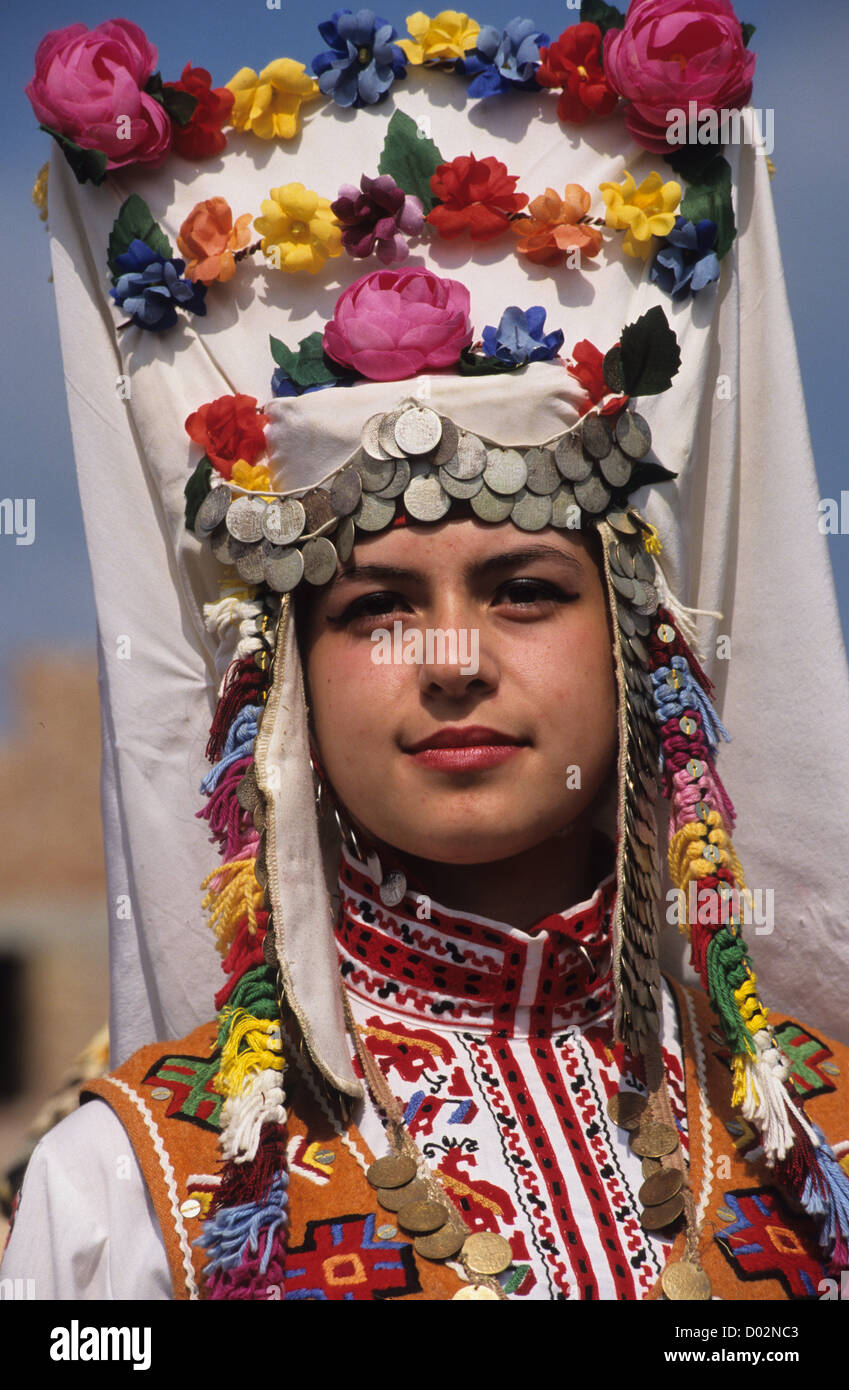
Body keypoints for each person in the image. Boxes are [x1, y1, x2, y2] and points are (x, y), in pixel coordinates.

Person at [7, 3, 849, 1304]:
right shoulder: (132, 1190)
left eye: (521, 591)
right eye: (375, 609)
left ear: (641, 654)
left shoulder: (822, 1143)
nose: (452, 659)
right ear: (279, 688)